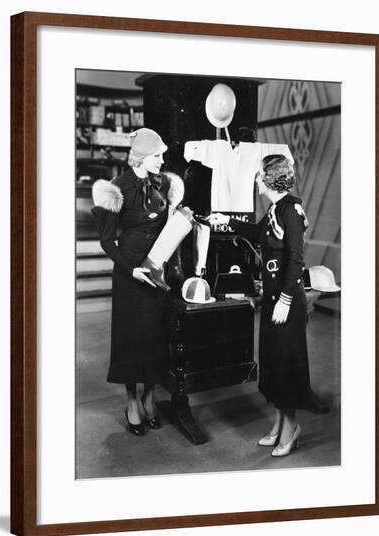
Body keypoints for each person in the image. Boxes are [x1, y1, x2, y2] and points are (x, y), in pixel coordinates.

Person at [207, 154, 311, 457]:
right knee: (274, 364)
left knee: (287, 367)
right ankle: (279, 424)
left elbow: (296, 259)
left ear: (270, 179)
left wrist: (286, 301)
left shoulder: (291, 210)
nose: (255, 181)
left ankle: (291, 430)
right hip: (274, 298)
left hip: (286, 302)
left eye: (258, 176)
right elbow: (256, 233)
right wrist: (227, 221)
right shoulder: (276, 208)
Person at [92, 128, 190, 436]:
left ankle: (149, 397)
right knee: (131, 341)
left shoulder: (163, 185)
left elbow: (167, 228)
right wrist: (132, 269)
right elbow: (107, 242)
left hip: (156, 273)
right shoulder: (117, 189)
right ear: (143, 157)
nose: (163, 161)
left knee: (154, 339)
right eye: (158, 156)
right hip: (130, 276)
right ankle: (132, 401)